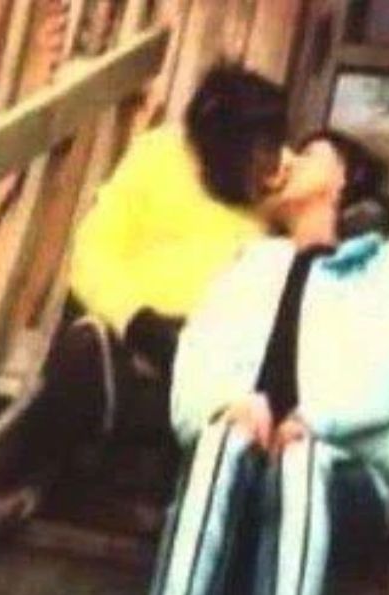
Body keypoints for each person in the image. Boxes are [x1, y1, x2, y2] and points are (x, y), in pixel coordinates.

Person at [163, 130, 389, 595]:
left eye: (308, 153)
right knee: (220, 441)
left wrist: (314, 418)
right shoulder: (250, 265)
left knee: (302, 460)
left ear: (345, 179)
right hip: (242, 470)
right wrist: (226, 407)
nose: (288, 160)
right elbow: (195, 356)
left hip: (349, 477)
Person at [26, 64, 292, 454]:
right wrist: (137, 321)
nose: (272, 160)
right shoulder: (160, 155)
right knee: (85, 357)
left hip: (212, 356)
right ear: (226, 142)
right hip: (132, 328)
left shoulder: (278, 189)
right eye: (263, 146)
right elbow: (93, 253)